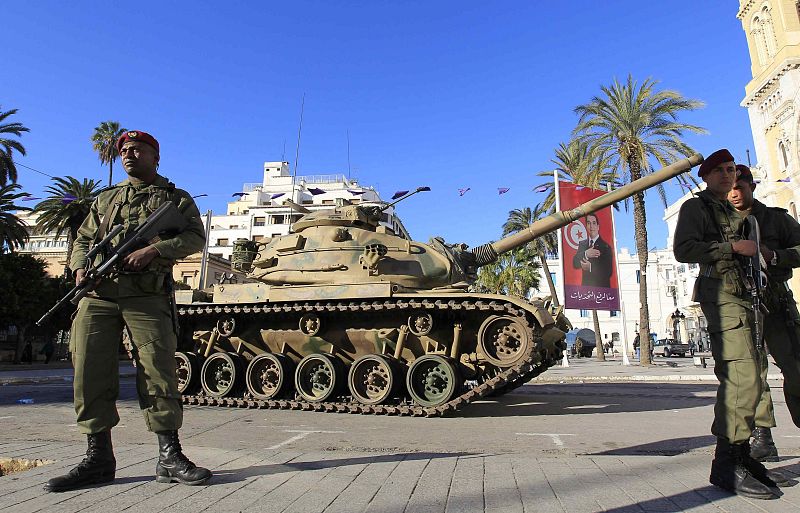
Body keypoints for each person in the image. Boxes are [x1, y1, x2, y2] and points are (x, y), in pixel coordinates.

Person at [45, 130, 212, 493]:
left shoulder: (176, 199)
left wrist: (155, 250)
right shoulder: (106, 199)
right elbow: (85, 240)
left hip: (147, 297)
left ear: (156, 156)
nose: (128, 154)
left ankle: (169, 455)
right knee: (88, 372)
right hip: (98, 295)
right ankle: (98, 458)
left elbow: (195, 238)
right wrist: (79, 268)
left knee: (157, 371)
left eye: (138, 149)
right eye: (124, 150)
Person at [674, 149, 792, 499]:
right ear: (706, 175)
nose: (727, 176)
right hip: (722, 298)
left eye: (731, 170)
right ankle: (727, 464)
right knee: (740, 376)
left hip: (746, 298)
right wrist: (732, 248)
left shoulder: (732, 211)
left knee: (754, 376)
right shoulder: (697, 208)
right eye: (720, 170)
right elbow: (684, 248)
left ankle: (742, 456)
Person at [728, 163, 800, 463]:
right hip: (741, 305)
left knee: (796, 369)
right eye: (729, 188)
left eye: (739, 187)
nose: (733, 194)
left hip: (776, 302)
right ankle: (763, 437)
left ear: (751, 186)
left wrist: (773, 255)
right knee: (752, 375)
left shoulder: (775, 219)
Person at [572, 213, 613, 287]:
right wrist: (585, 254)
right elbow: (575, 263)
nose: (591, 226)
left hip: (602, 290)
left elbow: (608, 272)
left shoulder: (606, 247)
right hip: (586, 290)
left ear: (598, 226)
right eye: (588, 223)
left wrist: (590, 267)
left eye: (594, 223)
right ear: (586, 226)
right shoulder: (582, 244)